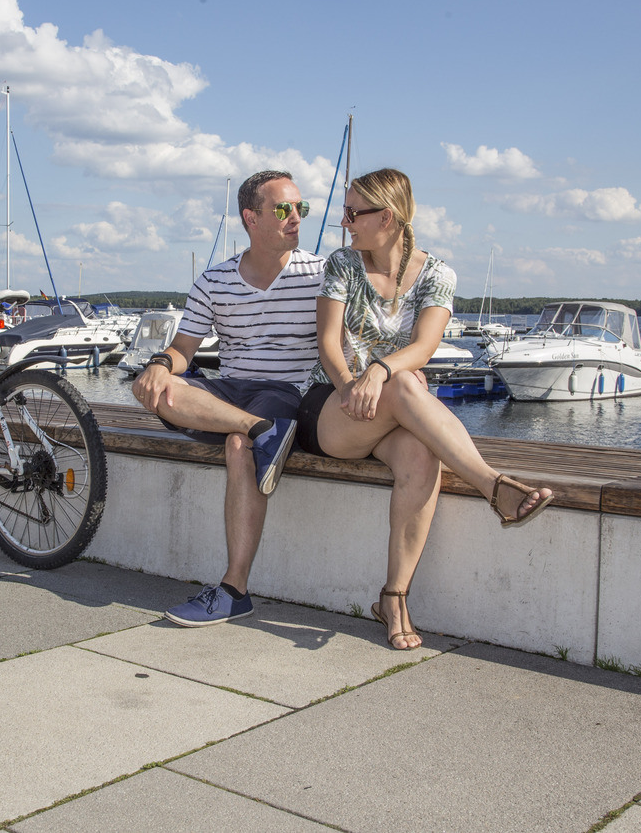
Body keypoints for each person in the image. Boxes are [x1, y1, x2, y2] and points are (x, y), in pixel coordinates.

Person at [295, 168, 555, 650]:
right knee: (404, 383)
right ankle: (492, 485)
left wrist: (379, 372)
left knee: (420, 452)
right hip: (331, 405)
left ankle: (394, 597)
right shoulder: (343, 264)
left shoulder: (436, 275)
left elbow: (425, 346)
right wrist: (354, 385)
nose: (344, 222)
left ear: (387, 217)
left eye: (353, 213)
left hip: (391, 407)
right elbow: (328, 343)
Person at [134, 170, 326, 627]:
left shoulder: (320, 275)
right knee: (161, 390)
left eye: (301, 208)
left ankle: (234, 590)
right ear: (251, 217)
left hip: (284, 391)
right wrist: (159, 364)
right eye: (284, 209)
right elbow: (184, 350)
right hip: (231, 390)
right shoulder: (214, 280)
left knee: (239, 447)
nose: (296, 217)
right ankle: (262, 431)